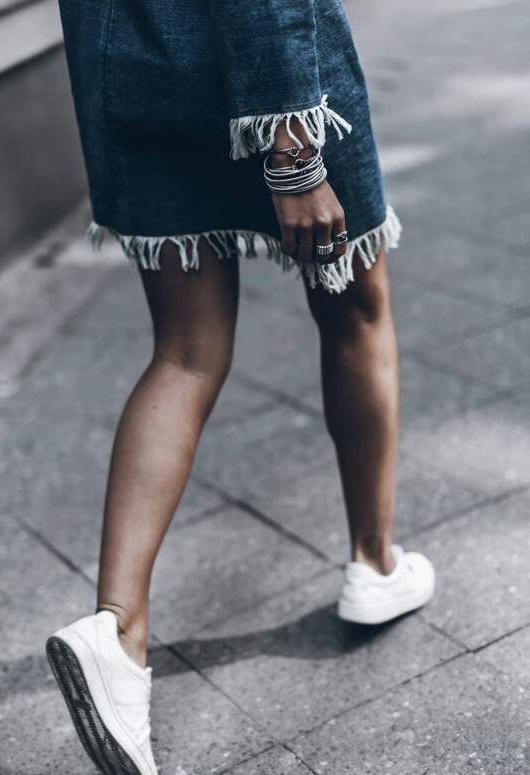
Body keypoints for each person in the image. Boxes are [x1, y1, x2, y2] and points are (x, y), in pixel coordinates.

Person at [46, 2, 435, 773]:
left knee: (185, 353)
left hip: (132, 69)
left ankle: (117, 633)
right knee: (356, 312)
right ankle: (374, 561)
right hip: (275, 81)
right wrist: (294, 152)